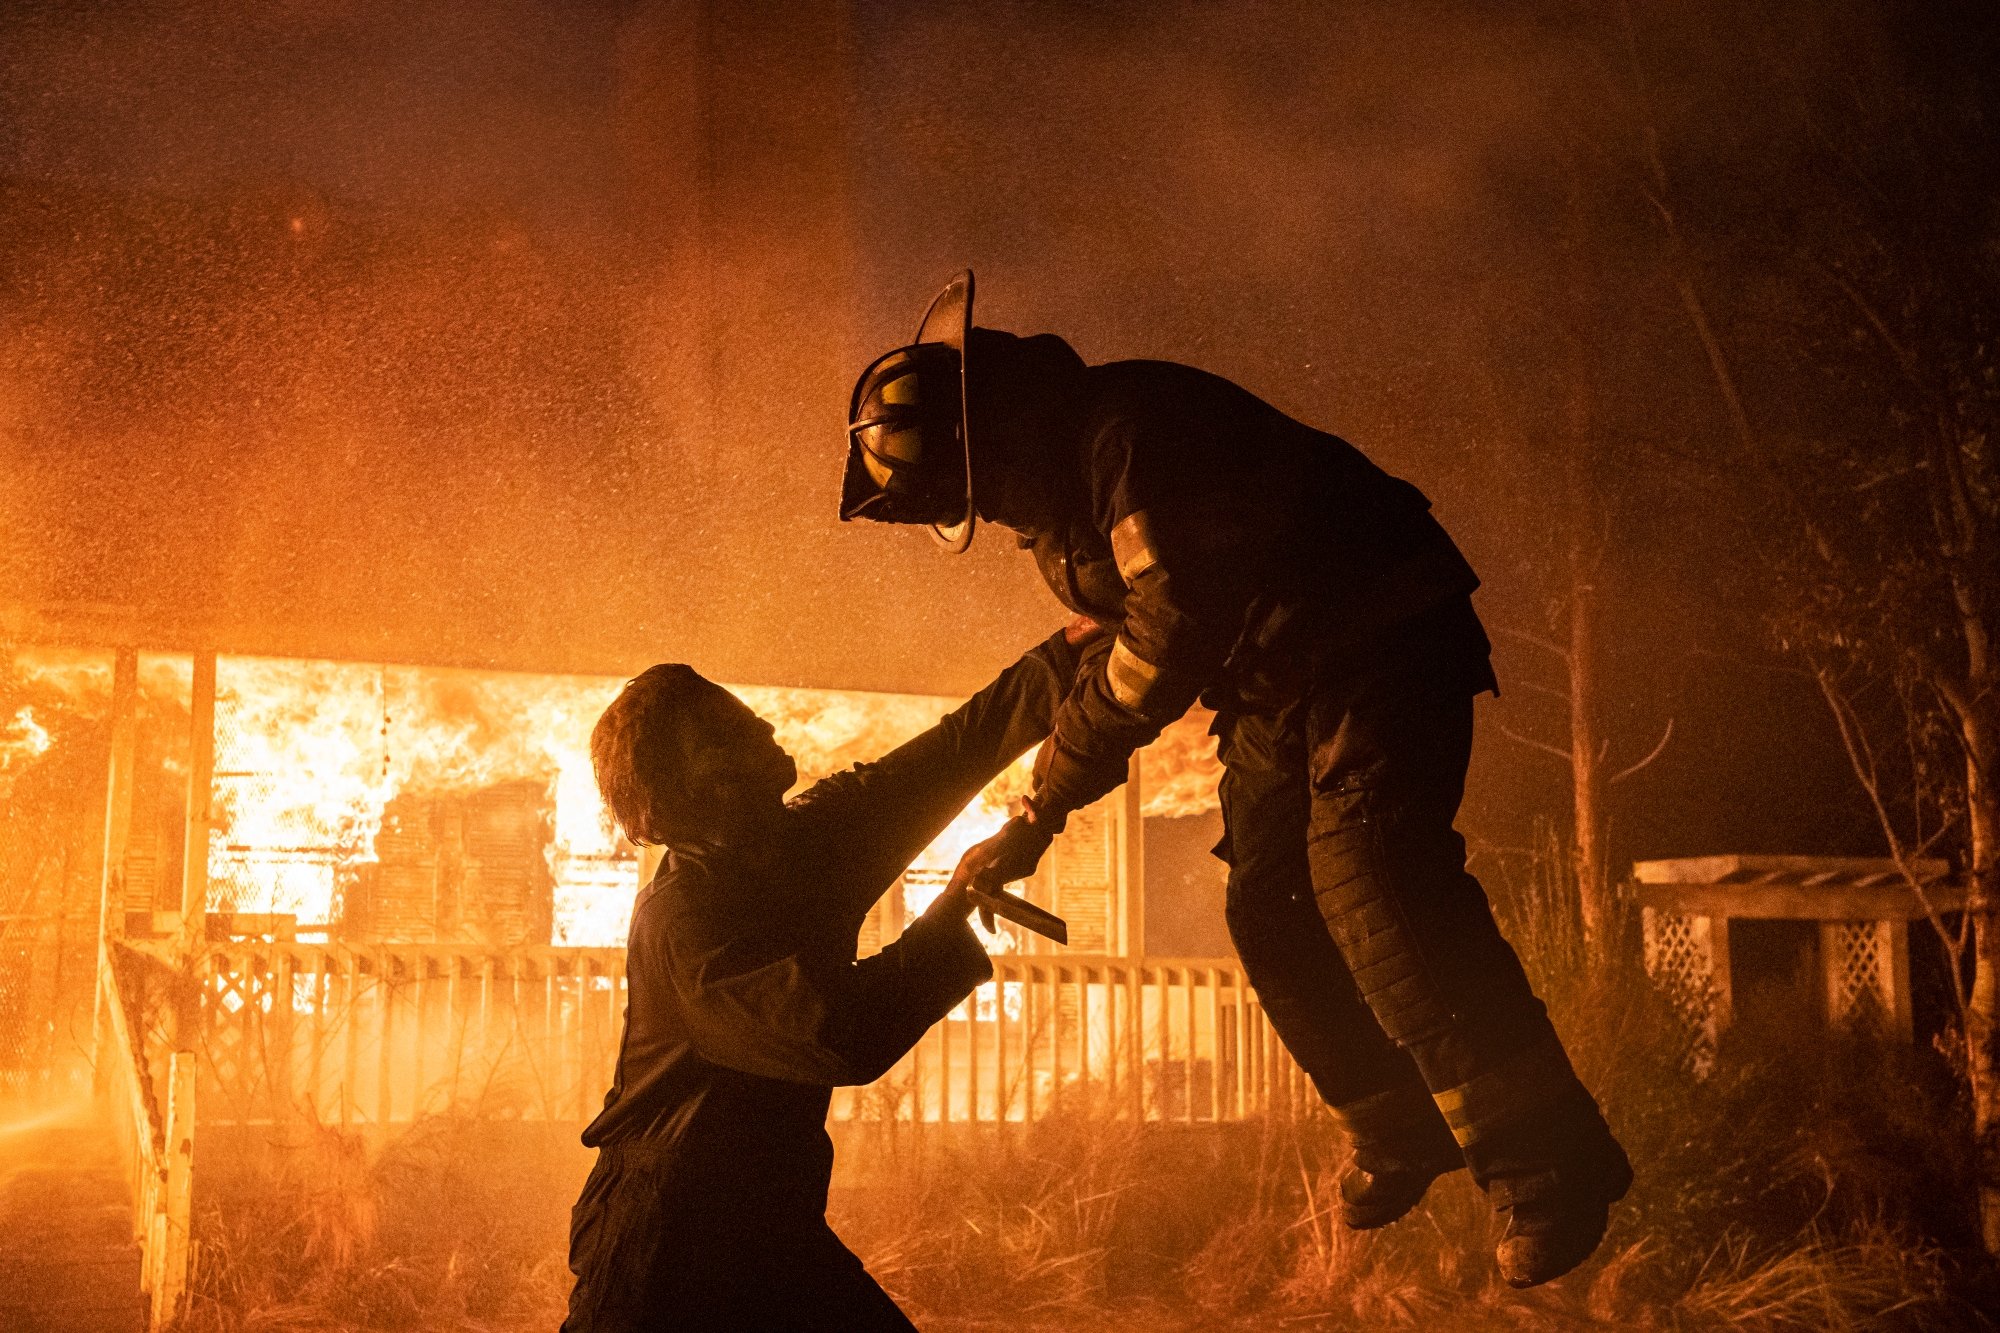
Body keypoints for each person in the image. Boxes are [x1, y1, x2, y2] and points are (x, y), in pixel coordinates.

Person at [836, 272, 1631, 1289]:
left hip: (1377, 632)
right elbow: (1113, 644)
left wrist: (1040, 804)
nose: (986, 513)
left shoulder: (1124, 438)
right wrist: (1028, 805)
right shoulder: (1066, 508)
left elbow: (1163, 640)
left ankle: (1547, 1160)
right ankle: (1398, 1128)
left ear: (984, 429)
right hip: (1276, 681)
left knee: (1372, 873)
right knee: (1268, 906)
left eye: (973, 489)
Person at [562, 622, 1091, 1331]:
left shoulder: (812, 839)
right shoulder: (684, 923)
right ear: (702, 780)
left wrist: (1069, 653)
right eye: (734, 727)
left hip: (770, 1229)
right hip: (662, 1247)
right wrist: (948, 912)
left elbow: (955, 751)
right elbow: (836, 1031)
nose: (767, 723)